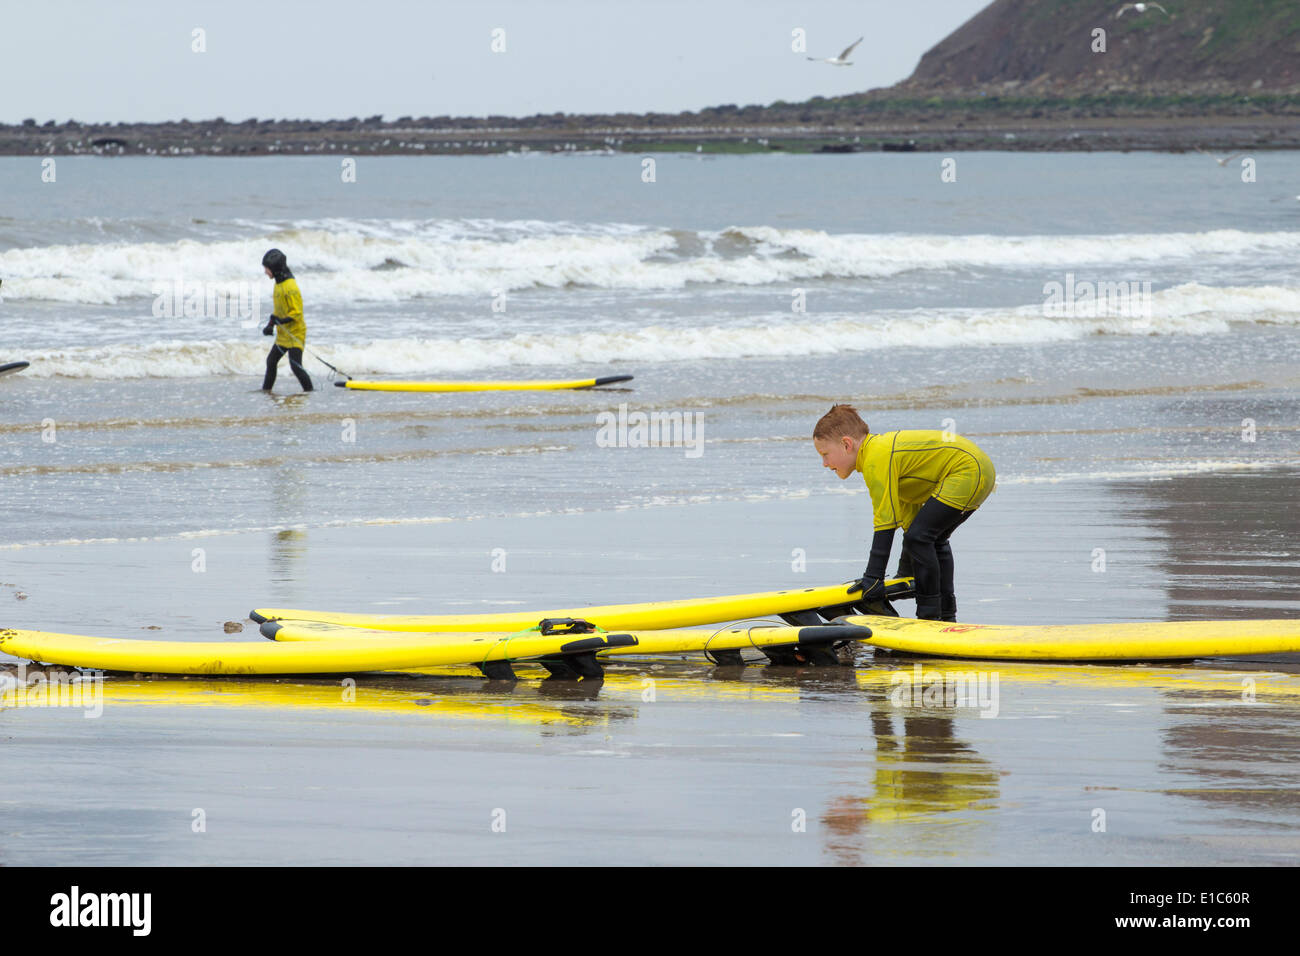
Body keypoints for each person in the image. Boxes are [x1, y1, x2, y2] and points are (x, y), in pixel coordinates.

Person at [812, 404, 995, 622]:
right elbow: (908, 514)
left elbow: (885, 521)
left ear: (846, 444)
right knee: (932, 539)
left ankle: (929, 616)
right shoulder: (882, 454)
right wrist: (905, 571)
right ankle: (946, 616)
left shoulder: (876, 457)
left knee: (921, 537)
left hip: (967, 471)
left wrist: (873, 578)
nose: (824, 463)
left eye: (825, 454)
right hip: (979, 469)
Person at [260, 248, 313, 392]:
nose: (265, 272)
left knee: (296, 367)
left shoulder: (291, 287)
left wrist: (280, 321)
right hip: (283, 335)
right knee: (271, 361)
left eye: (267, 268)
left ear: (275, 269)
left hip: (295, 334)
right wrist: (270, 325)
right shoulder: (278, 284)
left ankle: (309, 392)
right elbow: (278, 311)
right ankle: (266, 391)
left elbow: (297, 313)